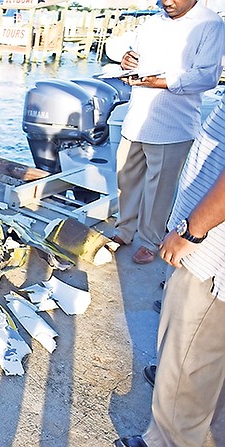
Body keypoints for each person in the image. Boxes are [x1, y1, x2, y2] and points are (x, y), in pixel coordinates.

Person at [114, 95, 225, 447]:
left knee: (189, 347)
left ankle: (168, 440)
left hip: (213, 252)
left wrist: (193, 229)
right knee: (204, 349)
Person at [111, 0, 225, 265]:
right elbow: (128, 55)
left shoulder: (211, 24)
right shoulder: (152, 22)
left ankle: (150, 241)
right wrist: (126, 59)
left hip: (173, 125)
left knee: (159, 190)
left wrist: (159, 83)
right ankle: (123, 230)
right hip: (136, 119)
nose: (167, 2)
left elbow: (207, 76)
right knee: (125, 180)